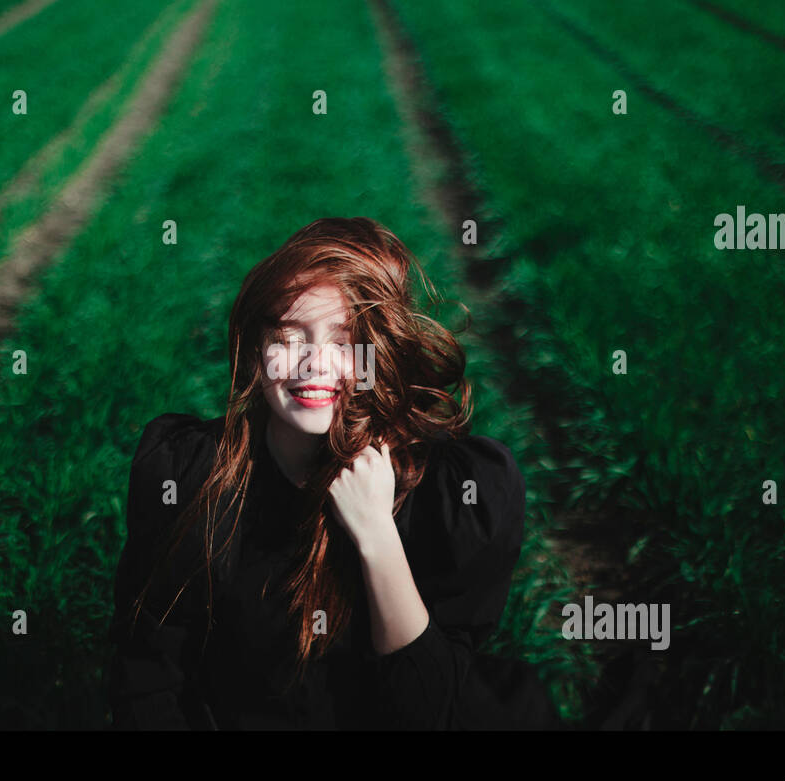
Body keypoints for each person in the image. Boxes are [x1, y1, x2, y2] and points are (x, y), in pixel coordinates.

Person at [107, 217, 558, 729]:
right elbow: (148, 678)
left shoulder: (453, 495)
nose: (312, 365)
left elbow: (425, 712)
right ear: (255, 350)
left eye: (345, 342)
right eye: (287, 336)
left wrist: (376, 536)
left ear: (382, 353)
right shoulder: (195, 476)